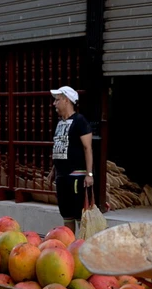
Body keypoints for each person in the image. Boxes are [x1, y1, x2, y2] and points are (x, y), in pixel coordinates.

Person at [46, 86, 94, 234]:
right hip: (62, 176)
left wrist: (89, 174)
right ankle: (69, 247)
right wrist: (53, 171)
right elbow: (60, 148)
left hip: (76, 176)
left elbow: (88, 148)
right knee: (66, 215)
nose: (54, 104)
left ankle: (81, 247)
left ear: (67, 101)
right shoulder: (60, 123)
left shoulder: (80, 121)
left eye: (57, 100)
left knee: (80, 215)